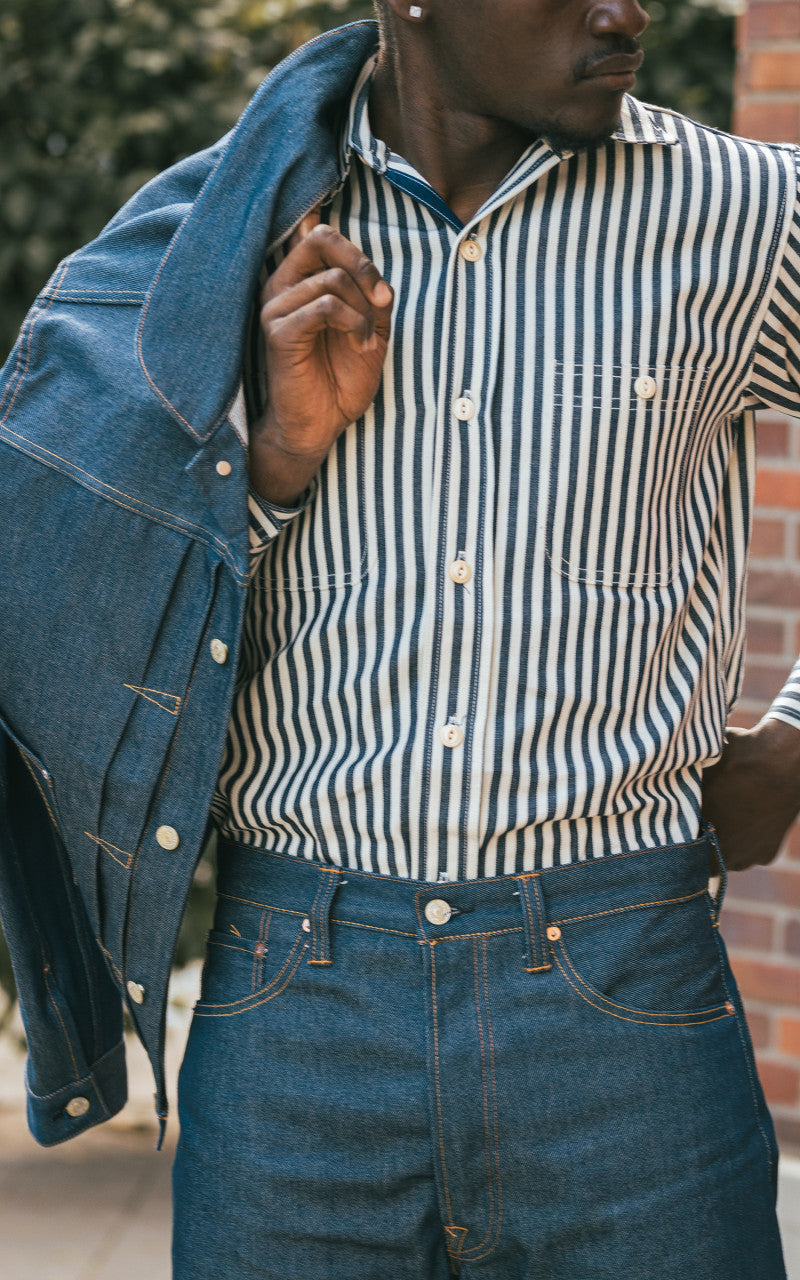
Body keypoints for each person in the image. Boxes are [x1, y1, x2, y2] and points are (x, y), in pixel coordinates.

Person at [1, 0, 799, 1275]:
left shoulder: (742, 212)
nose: (625, 11)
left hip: (623, 1002)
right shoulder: (226, 239)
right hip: (294, 1011)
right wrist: (272, 466)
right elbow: (105, 613)